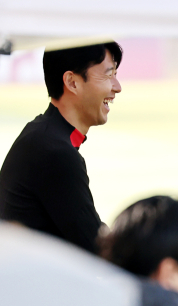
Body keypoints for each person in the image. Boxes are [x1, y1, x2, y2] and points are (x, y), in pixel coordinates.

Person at [0, 42, 123, 253]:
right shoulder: (54, 152)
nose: (117, 87)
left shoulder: (42, 135)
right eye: (108, 75)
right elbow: (99, 249)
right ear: (72, 82)